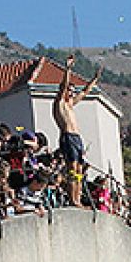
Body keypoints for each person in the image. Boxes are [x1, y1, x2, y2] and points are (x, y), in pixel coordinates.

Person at [51, 54, 102, 206]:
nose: (72, 93)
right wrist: (68, 69)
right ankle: (72, 199)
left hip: (77, 138)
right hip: (68, 137)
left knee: (80, 170)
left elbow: (85, 92)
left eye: (73, 91)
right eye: (70, 91)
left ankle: (77, 198)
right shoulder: (60, 103)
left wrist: (94, 79)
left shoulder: (71, 104)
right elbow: (63, 86)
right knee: (72, 169)